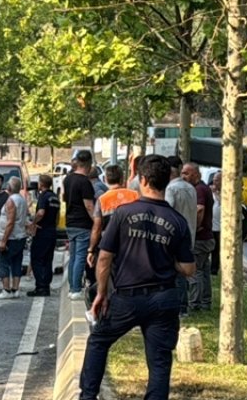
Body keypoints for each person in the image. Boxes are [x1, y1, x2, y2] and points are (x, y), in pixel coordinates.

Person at [79, 154, 196, 400]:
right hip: (164, 298)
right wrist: (169, 257)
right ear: (167, 181)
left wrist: (101, 293)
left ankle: (87, 396)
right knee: (160, 362)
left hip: (127, 298)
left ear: (142, 180)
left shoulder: (123, 214)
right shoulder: (178, 221)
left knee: (99, 341)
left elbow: (104, 258)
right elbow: (189, 269)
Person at [87, 165, 138, 296]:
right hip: (132, 242)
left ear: (105, 179)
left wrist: (91, 250)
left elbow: (97, 227)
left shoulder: (103, 199)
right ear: (122, 178)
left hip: (109, 244)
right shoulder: (135, 195)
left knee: (108, 276)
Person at [164, 156, 197, 313]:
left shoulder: (171, 189)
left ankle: (179, 306)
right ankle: (184, 306)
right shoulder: (191, 188)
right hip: (189, 232)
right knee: (184, 271)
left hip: (174, 234)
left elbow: (167, 210)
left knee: (176, 271)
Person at [181, 163, 215, 311]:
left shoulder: (199, 189)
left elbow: (199, 209)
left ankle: (195, 304)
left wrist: (194, 228)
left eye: (186, 173)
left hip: (200, 238)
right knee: (204, 270)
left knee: (195, 271)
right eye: (182, 173)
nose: (183, 176)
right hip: (207, 237)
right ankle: (205, 302)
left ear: (196, 174)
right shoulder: (203, 188)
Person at [64, 150, 97, 300]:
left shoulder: (68, 179)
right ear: (89, 164)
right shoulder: (85, 182)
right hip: (83, 223)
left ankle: (72, 287)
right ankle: (76, 289)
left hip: (70, 222)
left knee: (73, 257)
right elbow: (89, 206)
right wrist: (97, 221)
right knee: (80, 257)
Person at [0, 177, 30, 299]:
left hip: (11, 238)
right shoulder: (22, 200)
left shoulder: (11, 201)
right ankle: (15, 289)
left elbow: (10, 222)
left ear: (9, 187)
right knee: (16, 262)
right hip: (20, 236)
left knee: (2, 262)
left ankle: (6, 290)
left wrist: (3, 241)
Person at [27, 174, 60, 296]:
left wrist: (33, 223)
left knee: (37, 258)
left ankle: (40, 287)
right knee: (47, 260)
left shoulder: (43, 196)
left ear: (41, 184)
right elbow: (56, 217)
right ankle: (46, 286)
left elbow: (40, 212)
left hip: (42, 231)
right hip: (52, 231)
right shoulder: (54, 197)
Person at [210, 171, 222, 276]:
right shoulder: (209, 191)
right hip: (211, 225)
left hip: (220, 227)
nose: (214, 182)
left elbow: (222, 202)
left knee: (217, 249)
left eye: (217, 180)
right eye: (214, 179)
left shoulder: (224, 193)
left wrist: (216, 193)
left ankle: (214, 268)